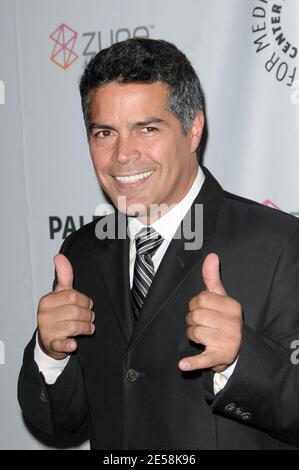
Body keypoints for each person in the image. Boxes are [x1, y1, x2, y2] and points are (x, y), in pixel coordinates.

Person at [18, 38, 299, 450]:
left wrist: (241, 360)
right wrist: (50, 353)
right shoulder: (80, 251)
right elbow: (57, 421)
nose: (123, 155)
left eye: (147, 129)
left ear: (193, 130)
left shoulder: (280, 244)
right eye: (104, 133)